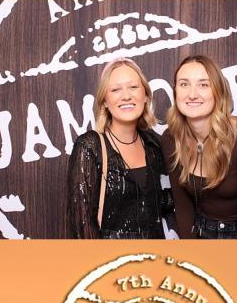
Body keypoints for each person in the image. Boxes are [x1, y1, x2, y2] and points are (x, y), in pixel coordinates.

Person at [161, 55, 237, 239]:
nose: (192, 94)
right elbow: (183, 208)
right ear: (175, 92)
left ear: (218, 92)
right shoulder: (170, 139)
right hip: (202, 231)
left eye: (203, 85)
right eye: (184, 84)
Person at [66, 60, 170, 239]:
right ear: (105, 101)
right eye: (115, 90)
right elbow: (82, 227)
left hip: (153, 254)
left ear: (145, 95)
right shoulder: (89, 147)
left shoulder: (153, 144)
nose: (126, 96)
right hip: (110, 256)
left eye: (133, 87)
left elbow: (153, 203)